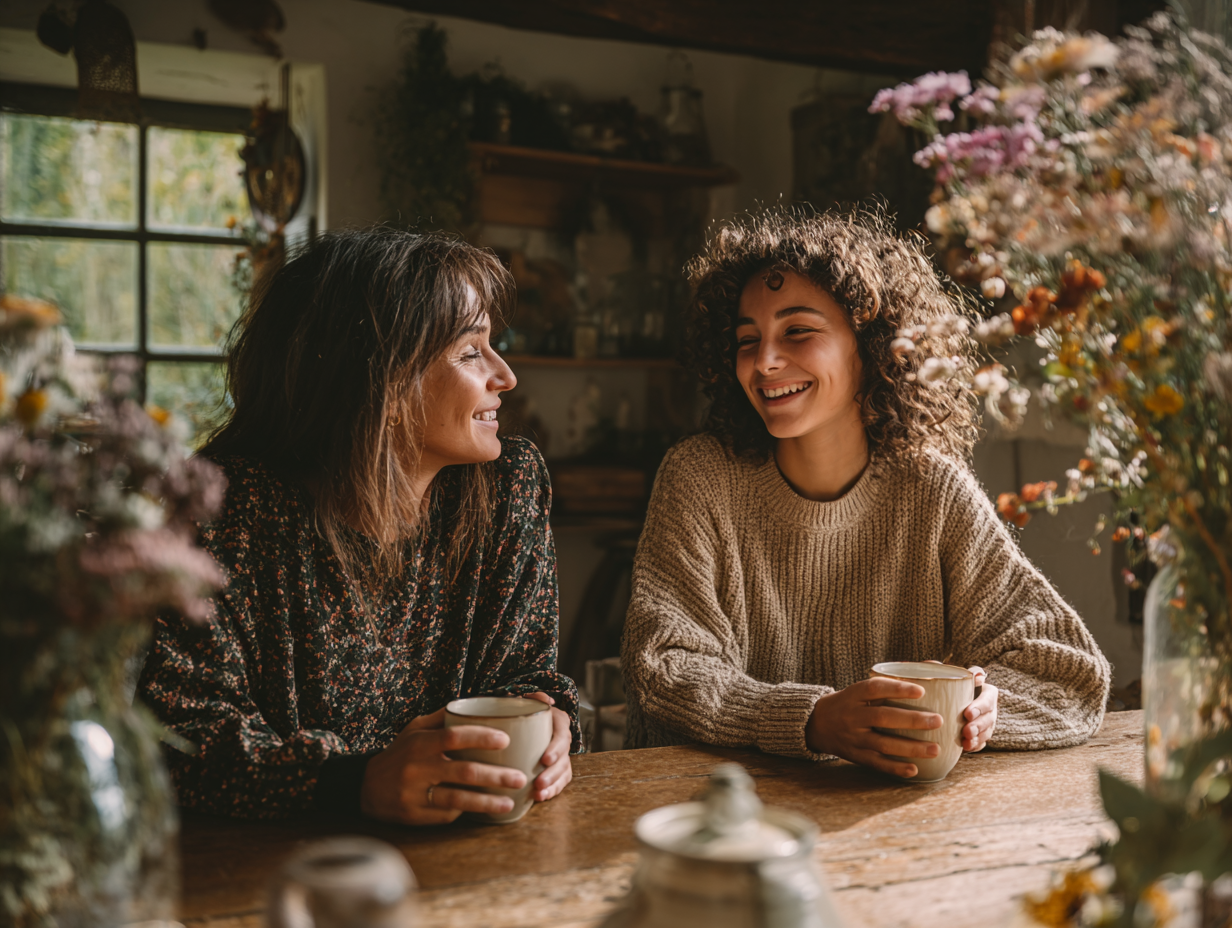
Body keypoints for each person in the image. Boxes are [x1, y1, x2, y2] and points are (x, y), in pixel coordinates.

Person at [621, 207, 1111, 778]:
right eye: (747, 340)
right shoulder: (699, 477)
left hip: (885, 822)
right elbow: (664, 666)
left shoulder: (932, 489)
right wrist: (810, 719)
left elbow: (1070, 674)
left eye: (798, 331)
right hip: (712, 819)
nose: (765, 361)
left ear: (876, 344)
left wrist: (986, 710)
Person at [139, 229, 578, 824]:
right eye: (471, 352)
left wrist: (545, 718)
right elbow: (176, 744)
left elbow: (523, 668)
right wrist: (352, 783)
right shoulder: (223, 510)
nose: (505, 375)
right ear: (383, 378)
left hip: (474, 850)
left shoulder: (508, 488)